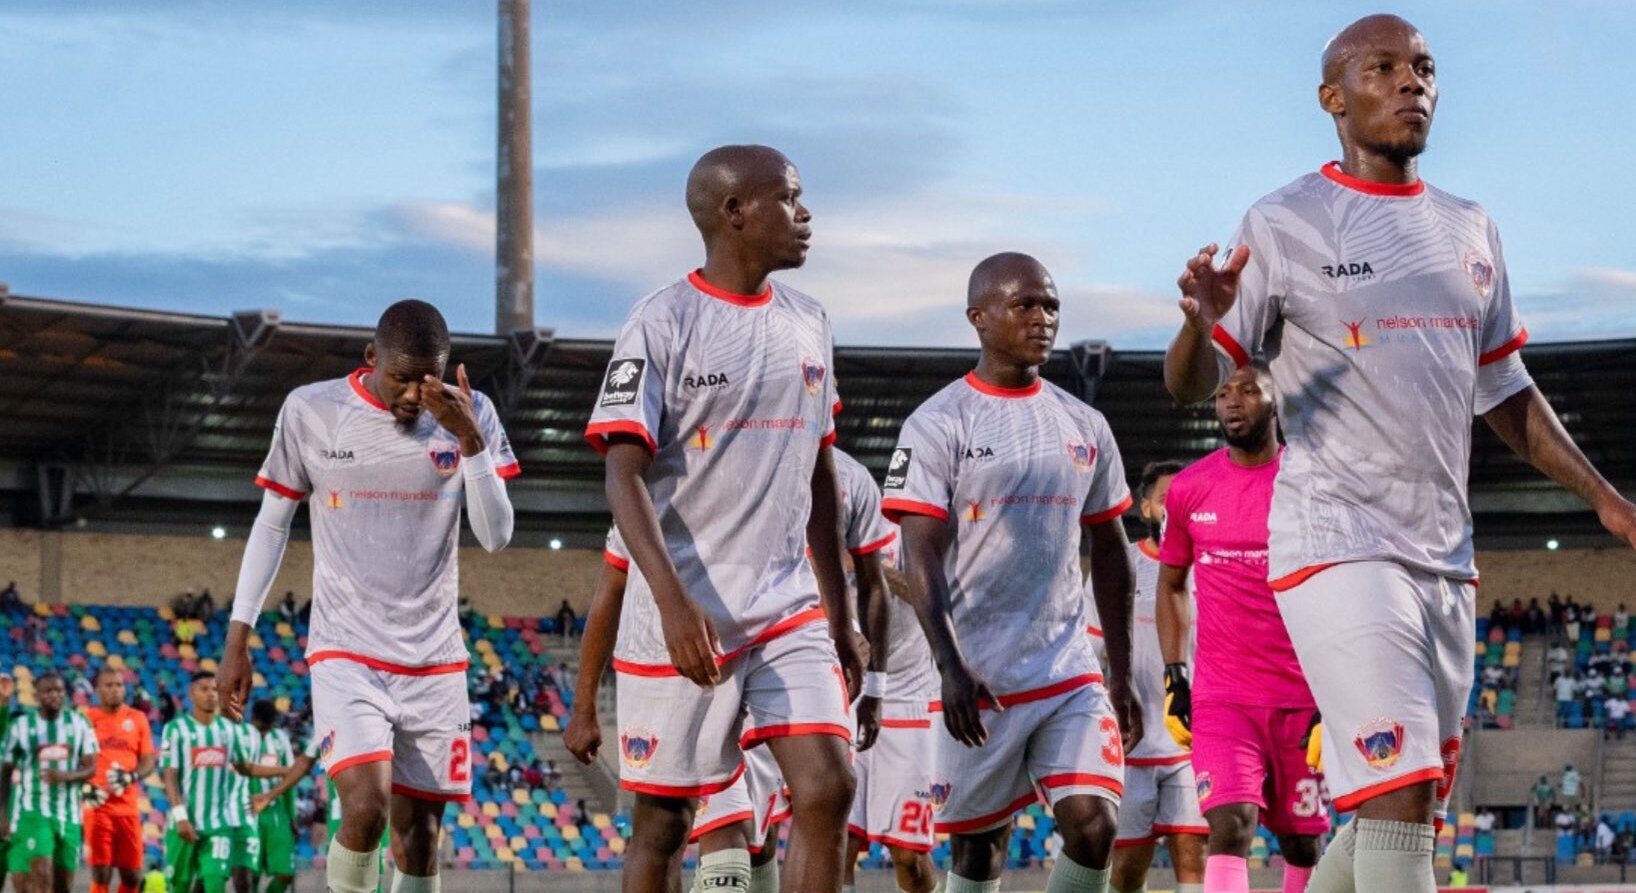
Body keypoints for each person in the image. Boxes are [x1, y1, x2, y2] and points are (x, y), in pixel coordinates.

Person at [1162, 13, 1636, 891]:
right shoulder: (1284, 222)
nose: (1411, 81)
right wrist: (1200, 320)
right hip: (1336, 540)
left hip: (1443, 559)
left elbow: (1506, 391)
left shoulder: (1472, 228)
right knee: (1404, 791)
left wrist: (1605, 498)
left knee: (1395, 811)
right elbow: (1190, 387)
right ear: (1332, 98)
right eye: (1383, 67)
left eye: (1423, 66)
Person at [583, 144, 865, 893]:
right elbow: (622, 472)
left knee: (829, 784)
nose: (805, 215)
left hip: (785, 604)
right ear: (735, 212)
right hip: (686, 611)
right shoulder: (662, 321)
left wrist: (839, 612)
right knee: (664, 823)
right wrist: (674, 601)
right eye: (790, 198)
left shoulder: (811, 322)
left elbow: (821, 474)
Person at [217, 299, 520, 893]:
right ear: (370, 358)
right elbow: (273, 522)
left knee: (421, 839)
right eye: (400, 377)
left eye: (427, 377)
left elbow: (497, 536)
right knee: (366, 808)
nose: (413, 394)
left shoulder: (471, 413)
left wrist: (470, 441)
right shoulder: (312, 410)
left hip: (436, 659)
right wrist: (238, 636)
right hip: (346, 651)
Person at [884, 252, 1138, 893]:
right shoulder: (938, 423)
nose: (1043, 318)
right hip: (979, 678)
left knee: (1095, 825)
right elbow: (918, 554)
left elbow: (1110, 550)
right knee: (977, 855)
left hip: (1066, 671)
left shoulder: (1085, 424)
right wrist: (949, 665)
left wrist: (1123, 671)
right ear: (979, 316)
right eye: (1025, 304)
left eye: (1051, 305)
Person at [1156, 362, 1326, 893]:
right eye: (1224, 393)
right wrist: (1175, 673)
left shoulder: (1313, 482)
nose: (1232, 402)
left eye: (1249, 391)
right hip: (1222, 699)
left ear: (1278, 401)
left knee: (1302, 843)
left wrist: (1339, 688)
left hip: (1304, 698)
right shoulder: (1190, 489)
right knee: (1230, 825)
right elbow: (1172, 584)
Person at [1084, 460, 1207, 893]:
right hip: (1131, 743)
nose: (1175, 509)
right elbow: (1091, 653)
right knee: (1129, 868)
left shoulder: (1208, 567)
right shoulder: (1121, 567)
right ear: (1146, 508)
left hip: (1193, 742)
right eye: (1165, 501)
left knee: (1195, 858)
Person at [1, 673, 99, 893]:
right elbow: (5, 772)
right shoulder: (21, 727)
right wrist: (2, 813)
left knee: (63, 885)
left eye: (58, 690)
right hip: (33, 812)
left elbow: (92, 767)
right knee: (42, 874)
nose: (54, 695)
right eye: (48, 691)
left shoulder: (79, 723)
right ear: (36, 696)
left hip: (70, 816)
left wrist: (67, 776)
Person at [160, 672, 254, 893]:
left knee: (215, 883)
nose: (211, 694)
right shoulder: (175, 730)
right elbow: (170, 777)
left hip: (219, 825)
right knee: (179, 886)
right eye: (204, 689)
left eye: (214, 690)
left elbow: (245, 767)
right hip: (183, 824)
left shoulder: (230, 730)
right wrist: (181, 817)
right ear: (192, 694)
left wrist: (291, 771)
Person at [86, 665, 159, 893]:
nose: (116, 690)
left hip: (128, 808)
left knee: (132, 876)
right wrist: (84, 787)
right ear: (97, 690)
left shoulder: (137, 719)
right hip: (98, 807)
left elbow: (148, 761)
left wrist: (131, 776)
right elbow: (74, 761)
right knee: (102, 873)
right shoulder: (87, 719)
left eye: (119, 685)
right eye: (109, 685)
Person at [239, 700, 298, 893]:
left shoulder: (280, 738)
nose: (264, 731)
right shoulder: (242, 736)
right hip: (248, 812)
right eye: (261, 727)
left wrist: (292, 815)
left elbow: (291, 774)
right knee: (249, 874)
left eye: (268, 726)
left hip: (277, 813)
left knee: (285, 874)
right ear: (253, 719)